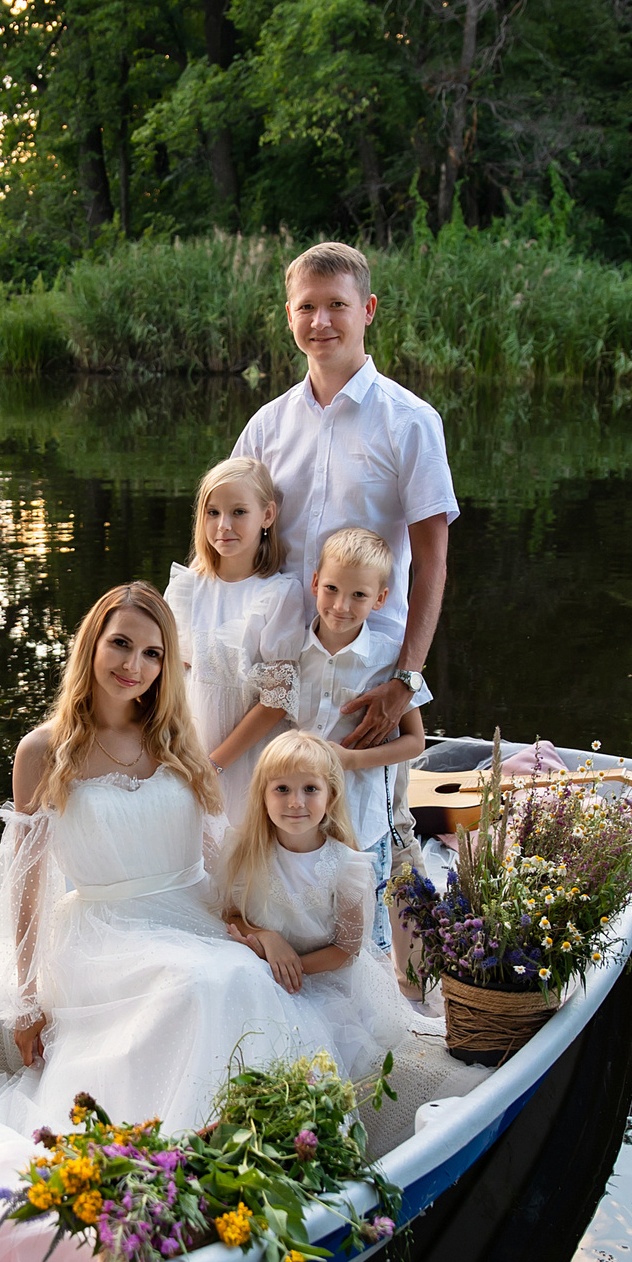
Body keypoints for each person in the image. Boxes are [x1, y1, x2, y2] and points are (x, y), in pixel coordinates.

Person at [0, 582, 314, 1136]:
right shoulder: (43, 751)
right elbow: (27, 881)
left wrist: (250, 926)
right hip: (105, 932)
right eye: (121, 644)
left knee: (240, 973)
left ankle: (249, 1136)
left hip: (191, 912)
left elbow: (212, 853)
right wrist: (25, 1000)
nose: (134, 666)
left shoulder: (175, 736)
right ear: (92, 643)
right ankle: (176, 1144)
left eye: (153, 654)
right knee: (197, 983)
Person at [231, 240, 458, 749]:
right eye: (307, 306)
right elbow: (227, 541)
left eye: (337, 304)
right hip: (274, 666)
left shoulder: (411, 422)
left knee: (358, 821)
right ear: (289, 315)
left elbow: (433, 562)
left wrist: (406, 680)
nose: (321, 321)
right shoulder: (267, 426)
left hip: (366, 670)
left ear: (368, 310)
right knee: (262, 816)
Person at [219, 732, 425, 1077]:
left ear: (330, 796)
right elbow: (232, 914)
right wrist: (268, 939)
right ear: (263, 797)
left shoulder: (347, 866)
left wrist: (287, 968)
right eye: (281, 789)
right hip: (265, 969)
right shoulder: (245, 851)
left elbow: (346, 949)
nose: (296, 802)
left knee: (308, 1057)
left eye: (310, 789)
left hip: (321, 981)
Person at [284, 526, 428, 952]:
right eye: (331, 589)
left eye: (359, 596)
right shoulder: (291, 649)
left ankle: (375, 993)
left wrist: (348, 762)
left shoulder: (389, 660)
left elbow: (415, 742)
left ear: (380, 599)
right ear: (315, 583)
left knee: (364, 928)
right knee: (307, 911)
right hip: (297, 813)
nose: (341, 606)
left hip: (361, 817)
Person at [164, 456, 307, 823]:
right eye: (212, 512)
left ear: (267, 516)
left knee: (239, 852)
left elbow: (276, 699)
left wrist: (215, 765)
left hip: (246, 758)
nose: (223, 526)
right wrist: (177, 753)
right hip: (187, 752)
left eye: (238, 512)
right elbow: (167, 678)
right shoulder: (187, 587)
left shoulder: (279, 594)